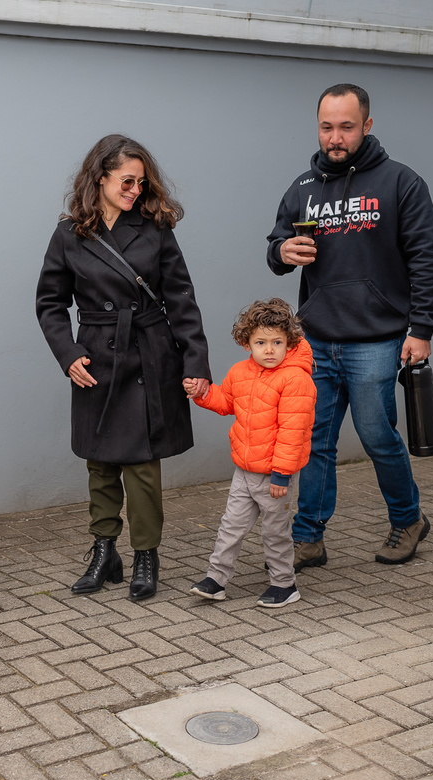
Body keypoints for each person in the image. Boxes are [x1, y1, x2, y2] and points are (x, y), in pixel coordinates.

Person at [266, 83, 433, 568]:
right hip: (316, 339)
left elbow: (427, 260)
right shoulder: (303, 187)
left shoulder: (401, 183)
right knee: (314, 441)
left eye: (346, 127)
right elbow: (276, 248)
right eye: (327, 127)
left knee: (377, 436)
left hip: (376, 340)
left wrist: (421, 330)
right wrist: (282, 251)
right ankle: (308, 538)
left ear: (367, 125)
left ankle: (408, 519)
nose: (335, 138)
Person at [36, 134, 211, 601]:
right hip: (95, 355)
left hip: (147, 352)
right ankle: (104, 551)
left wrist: (195, 360)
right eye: (127, 181)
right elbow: (50, 303)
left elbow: (181, 299)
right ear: (100, 177)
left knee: (141, 466)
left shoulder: (155, 229)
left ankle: (146, 556)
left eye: (141, 182)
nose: (135, 190)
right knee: (99, 461)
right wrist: (68, 354)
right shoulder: (70, 234)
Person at [186, 298, 316, 607]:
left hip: (275, 476)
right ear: (247, 344)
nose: (269, 350)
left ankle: (284, 585)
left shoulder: (296, 379)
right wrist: (202, 393)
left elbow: (293, 431)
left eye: (277, 342)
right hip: (244, 472)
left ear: (289, 342)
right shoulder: (240, 372)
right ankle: (216, 580)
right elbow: (226, 402)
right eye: (261, 342)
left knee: (275, 532)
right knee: (230, 526)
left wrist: (282, 474)